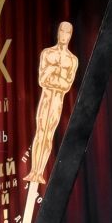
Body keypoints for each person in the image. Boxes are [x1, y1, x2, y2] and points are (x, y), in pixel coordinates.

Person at [24, 21, 79, 185]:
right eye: (62, 31)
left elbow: (67, 85)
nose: (64, 35)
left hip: (57, 102)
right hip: (46, 99)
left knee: (48, 135)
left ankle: (40, 172)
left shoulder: (72, 60)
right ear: (58, 32)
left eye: (67, 32)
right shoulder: (47, 53)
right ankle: (33, 171)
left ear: (71, 35)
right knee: (40, 132)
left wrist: (53, 75)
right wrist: (56, 74)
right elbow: (42, 79)